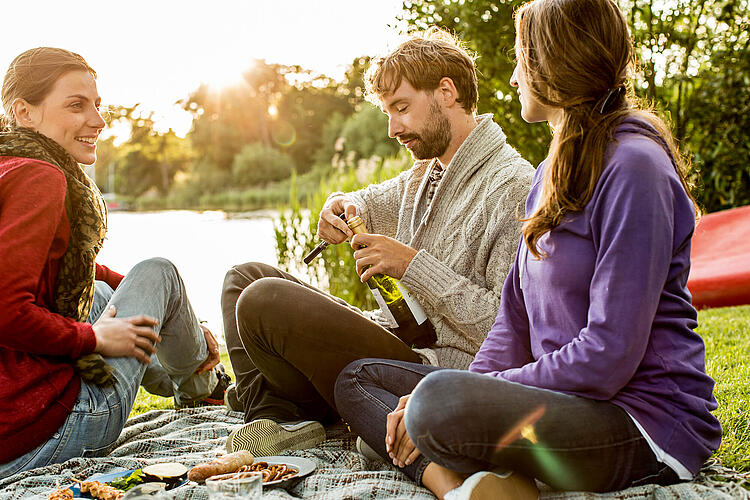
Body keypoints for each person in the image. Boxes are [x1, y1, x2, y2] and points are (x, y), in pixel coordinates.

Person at [334, 0, 723, 497]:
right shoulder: (549, 174)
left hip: (642, 422)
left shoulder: (634, 168)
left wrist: (474, 395)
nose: (515, 78)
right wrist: (475, 386)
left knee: (433, 403)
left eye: (521, 60)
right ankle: (470, 483)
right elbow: (512, 321)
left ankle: (455, 468)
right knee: (370, 383)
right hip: (565, 404)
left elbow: (609, 355)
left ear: (554, 64)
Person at [220, 27, 534, 456]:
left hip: (431, 368)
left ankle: (293, 414)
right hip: (390, 339)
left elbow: (506, 329)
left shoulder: (512, 186)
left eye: (401, 108)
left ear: (446, 92)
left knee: (263, 299)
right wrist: (338, 204)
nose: (392, 128)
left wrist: (412, 265)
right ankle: (275, 417)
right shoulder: (429, 171)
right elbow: (366, 199)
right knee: (242, 277)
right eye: (388, 112)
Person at [0, 47, 230, 480]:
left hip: (8, 432)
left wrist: (170, 312)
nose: (99, 121)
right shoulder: (40, 176)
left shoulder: (7, 167)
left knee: (105, 292)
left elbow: (72, 271)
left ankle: (183, 368)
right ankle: (203, 387)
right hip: (42, 433)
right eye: (76, 105)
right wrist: (93, 339)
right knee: (159, 270)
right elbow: (5, 311)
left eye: (97, 105)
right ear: (24, 113)